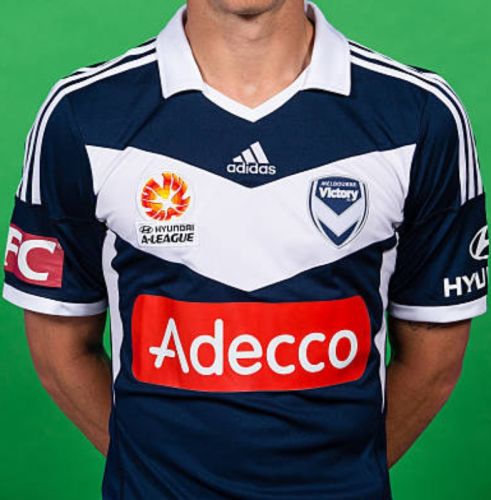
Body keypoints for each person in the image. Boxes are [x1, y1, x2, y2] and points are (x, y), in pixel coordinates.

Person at [3, 0, 488, 498]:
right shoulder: (83, 114)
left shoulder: (420, 114)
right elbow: (59, 348)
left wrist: (338, 480)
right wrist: (157, 476)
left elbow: (433, 361)